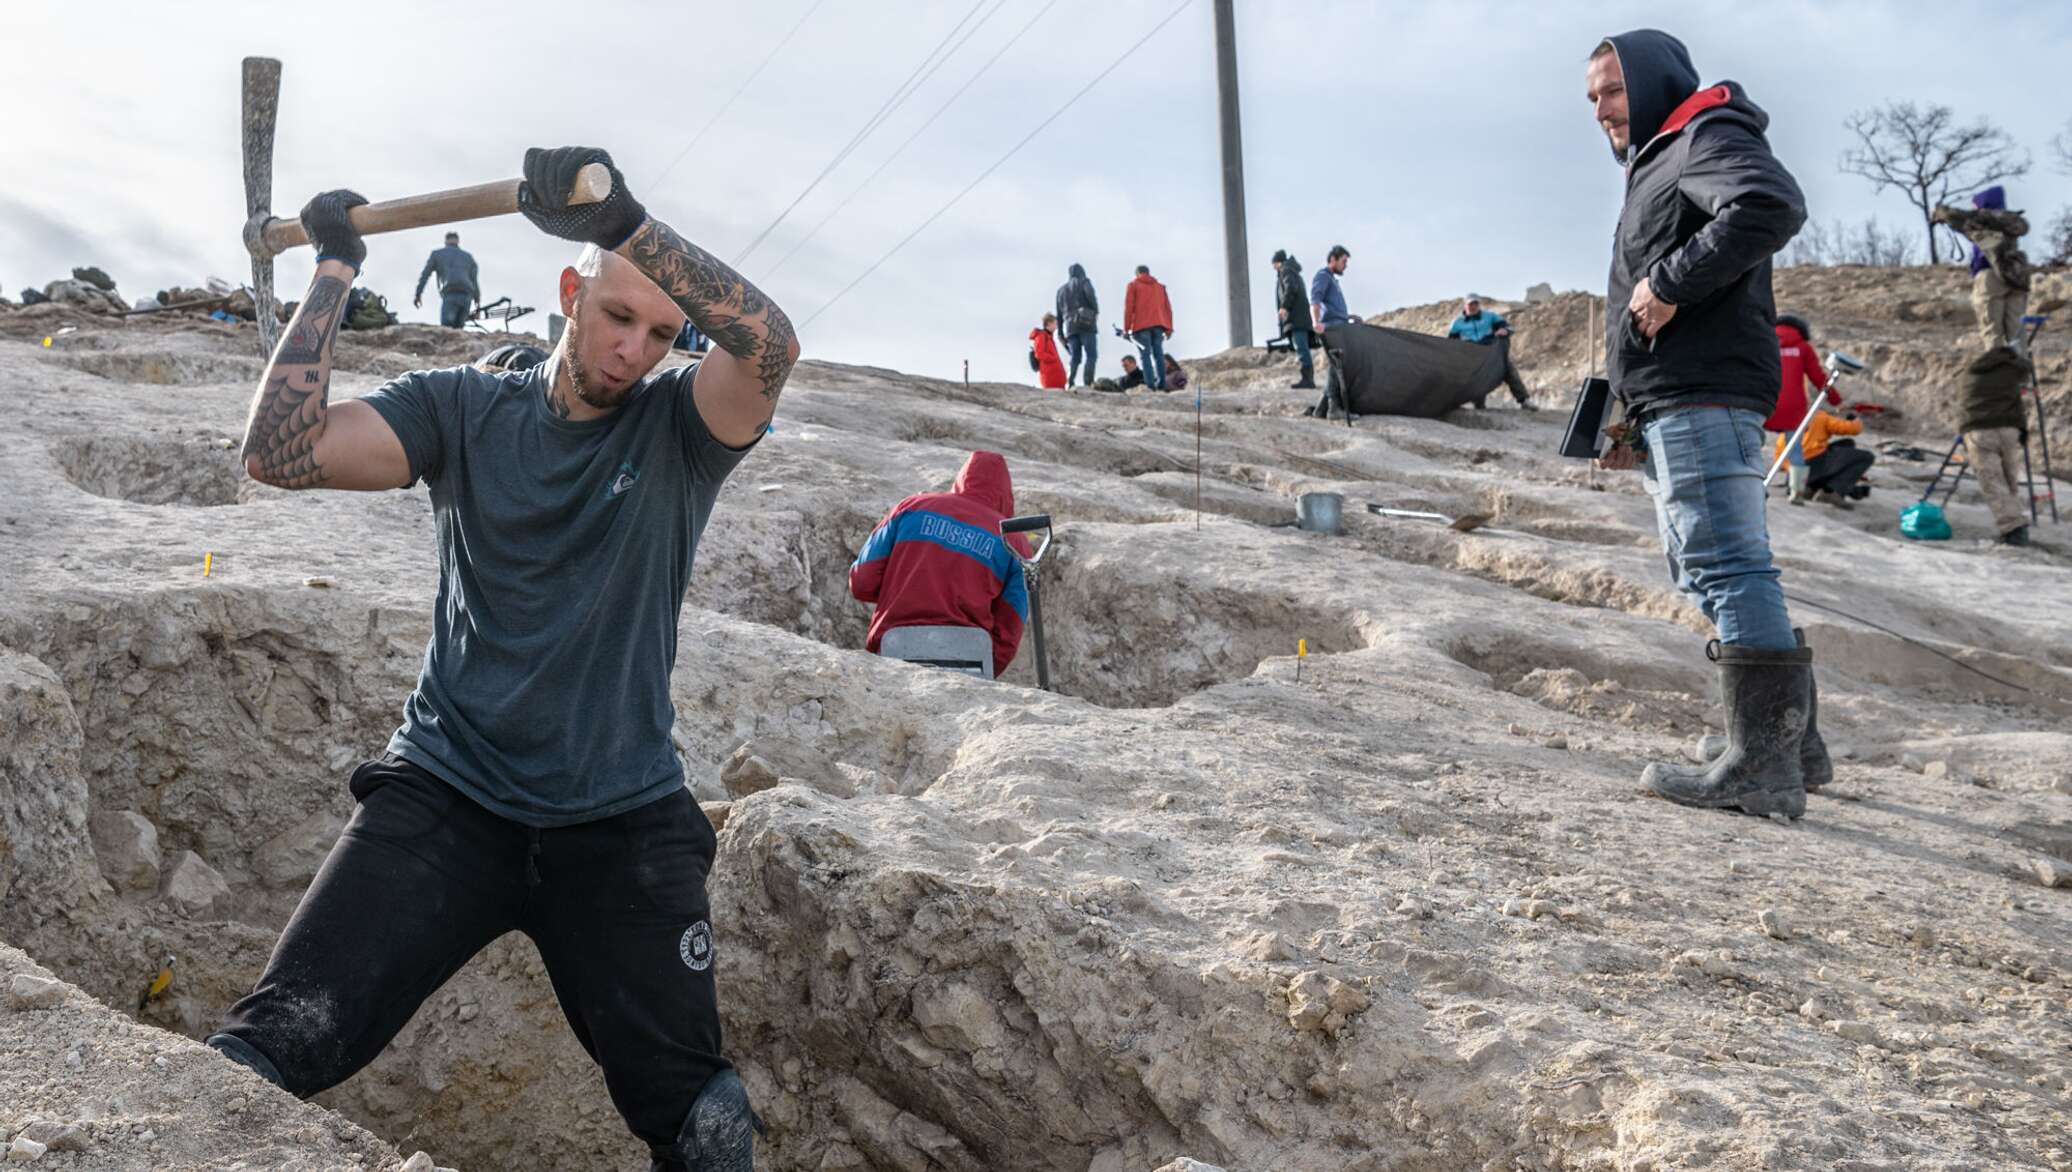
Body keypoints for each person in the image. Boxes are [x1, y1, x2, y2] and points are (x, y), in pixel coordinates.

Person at [207, 146, 799, 1172]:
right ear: (569, 293)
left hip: (620, 818)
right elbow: (279, 453)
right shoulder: (461, 407)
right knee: (267, 1046)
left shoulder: (681, 431)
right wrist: (334, 270)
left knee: (701, 1118)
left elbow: (770, 343)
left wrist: (628, 226)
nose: (633, 351)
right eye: (618, 316)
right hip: (447, 792)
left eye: (660, 334)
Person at [1583, 31, 1824, 820]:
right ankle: (1790, 745)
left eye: (1611, 90)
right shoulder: (1665, 153)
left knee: (1725, 564)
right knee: (1717, 565)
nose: (1600, 110)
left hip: (1703, 390)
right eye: (1591, 98)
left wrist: (1669, 284)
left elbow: (1770, 205)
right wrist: (1627, 412)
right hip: (1676, 395)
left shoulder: (1703, 134)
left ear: (1652, 83)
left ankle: (1763, 766)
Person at [848, 451, 1032, 678]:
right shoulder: (1014, 541)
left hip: (894, 646)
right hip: (970, 661)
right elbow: (1009, 631)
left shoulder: (912, 508)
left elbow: (862, 583)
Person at [1934, 186, 2032, 352]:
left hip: (1989, 277)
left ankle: (1998, 373)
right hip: (2015, 277)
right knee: (2017, 334)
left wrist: (1939, 211)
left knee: (1993, 332)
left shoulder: (1980, 219)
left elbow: (1952, 216)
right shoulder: (2012, 221)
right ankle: (2020, 375)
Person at [1958, 344, 2034, 546]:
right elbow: (2027, 369)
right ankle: (2015, 523)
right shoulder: (2013, 369)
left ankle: (2014, 529)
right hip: (2010, 430)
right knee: (2009, 481)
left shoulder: (1971, 371)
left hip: (1979, 430)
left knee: (1992, 482)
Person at [1766, 313, 1836, 500]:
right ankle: (1796, 491)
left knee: (1753, 444)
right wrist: (1836, 400)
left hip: (1766, 400)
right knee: (1795, 448)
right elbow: (1818, 377)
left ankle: (1754, 486)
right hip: (1793, 406)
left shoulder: (1766, 341)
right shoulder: (1803, 347)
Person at [1445, 295, 1534, 409]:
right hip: (1471, 355)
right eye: (1470, 304)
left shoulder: (1490, 316)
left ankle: (1524, 401)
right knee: (1465, 376)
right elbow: (1451, 342)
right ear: (1465, 306)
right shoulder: (1458, 322)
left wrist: (1504, 331)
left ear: (1479, 305)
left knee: (1508, 369)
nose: (1473, 307)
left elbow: (1509, 328)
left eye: (1475, 304)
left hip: (1491, 352)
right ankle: (1465, 404)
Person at [1777, 408, 1873, 507]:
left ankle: (1810, 487)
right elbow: (1853, 429)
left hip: (1793, 473)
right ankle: (1834, 492)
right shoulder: (1820, 416)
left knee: (1847, 444)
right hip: (1812, 463)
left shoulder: (1789, 417)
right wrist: (1855, 419)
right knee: (1866, 457)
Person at [1308, 245, 1355, 420]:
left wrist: (1349, 316)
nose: (1346, 265)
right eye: (1343, 261)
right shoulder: (1323, 276)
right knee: (1337, 366)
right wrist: (1315, 322)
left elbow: (1332, 308)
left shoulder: (1332, 279)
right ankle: (1333, 409)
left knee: (1336, 366)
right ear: (1333, 260)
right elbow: (1315, 300)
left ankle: (1320, 409)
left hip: (1339, 326)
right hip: (1331, 330)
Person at [1122, 265, 1174, 392]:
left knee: (1145, 356)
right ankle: (1161, 384)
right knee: (1159, 355)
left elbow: (1129, 308)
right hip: (1159, 325)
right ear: (1148, 273)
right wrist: (1169, 328)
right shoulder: (1160, 287)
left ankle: (1150, 385)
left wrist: (1126, 329)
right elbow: (1168, 308)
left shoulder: (1133, 285)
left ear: (1137, 274)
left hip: (1141, 326)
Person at [414, 231, 480, 328]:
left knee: (447, 328)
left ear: (446, 241)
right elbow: (474, 281)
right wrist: (477, 299)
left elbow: (425, 275)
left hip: (451, 293)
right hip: (466, 295)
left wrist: (418, 294)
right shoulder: (468, 257)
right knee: (459, 330)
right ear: (457, 241)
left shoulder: (436, 254)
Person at [1272, 250, 1316, 389]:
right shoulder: (1292, 270)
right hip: (1300, 317)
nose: (1274, 268)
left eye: (1274, 265)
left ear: (1277, 263)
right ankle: (1307, 378)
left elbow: (1291, 288)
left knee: (1301, 348)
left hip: (1296, 319)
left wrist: (1284, 307)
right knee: (1302, 348)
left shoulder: (1286, 270)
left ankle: (1307, 380)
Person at [1055, 263, 1100, 386]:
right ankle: (1088, 382)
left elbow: (1059, 314)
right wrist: (1096, 311)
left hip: (1070, 327)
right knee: (1091, 355)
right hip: (1086, 323)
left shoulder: (1061, 290)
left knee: (1075, 356)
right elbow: (1091, 296)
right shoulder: (1084, 282)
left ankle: (1069, 382)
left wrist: (1060, 332)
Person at [1030, 314, 1067, 390]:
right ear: (1049, 323)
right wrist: (1053, 358)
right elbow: (1039, 354)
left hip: (1055, 377)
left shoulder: (1048, 337)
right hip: (1049, 377)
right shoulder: (1041, 336)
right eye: (1055, 323)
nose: (1056, 326)